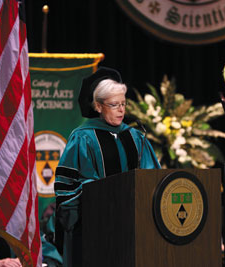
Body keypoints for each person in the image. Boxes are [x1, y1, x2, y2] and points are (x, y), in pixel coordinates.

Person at [54, 66, 161, 267]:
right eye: (114, 104)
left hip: (134, 226)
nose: (121, 110)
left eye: (123, 103)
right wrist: (105, 194)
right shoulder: (83, 137)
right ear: (98, 106)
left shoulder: (136, 137)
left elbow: (152, 177)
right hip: (95, 227)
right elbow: (67, 186)